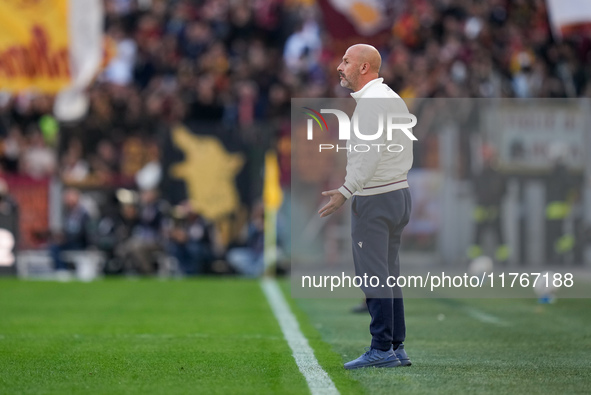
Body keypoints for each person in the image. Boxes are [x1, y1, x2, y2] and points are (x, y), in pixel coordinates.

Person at [319, 44, 413, 369]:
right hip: (398, 193)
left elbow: (369, 155)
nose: (339, 66)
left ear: (364, 68)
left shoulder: (372, 103)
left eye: (346, 61)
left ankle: (381, 347)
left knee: (374, 275)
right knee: (388, 273)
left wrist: (346, 191)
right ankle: (396, 346)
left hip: (376, 197)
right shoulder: (391, 97)